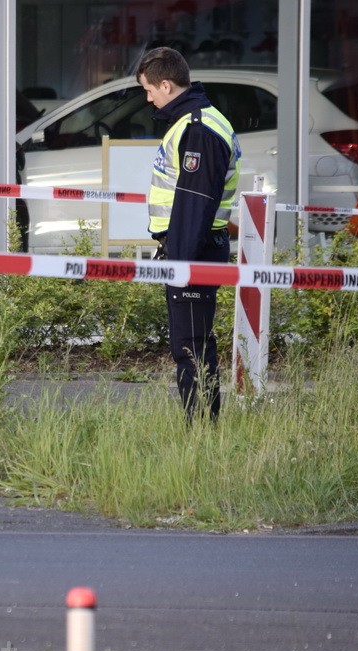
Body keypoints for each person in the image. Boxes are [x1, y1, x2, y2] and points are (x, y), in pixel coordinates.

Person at [136, 47, 241, 420]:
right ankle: (201, 427)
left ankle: (200, 431)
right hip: (193, 246)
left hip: (194, 249)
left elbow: (194, 204)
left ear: (166, 84)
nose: (148, 98)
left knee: (191, 346)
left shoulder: (198, 128)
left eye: (149, 89)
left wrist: (178, 260)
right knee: (192, 343)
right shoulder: (195, 121)